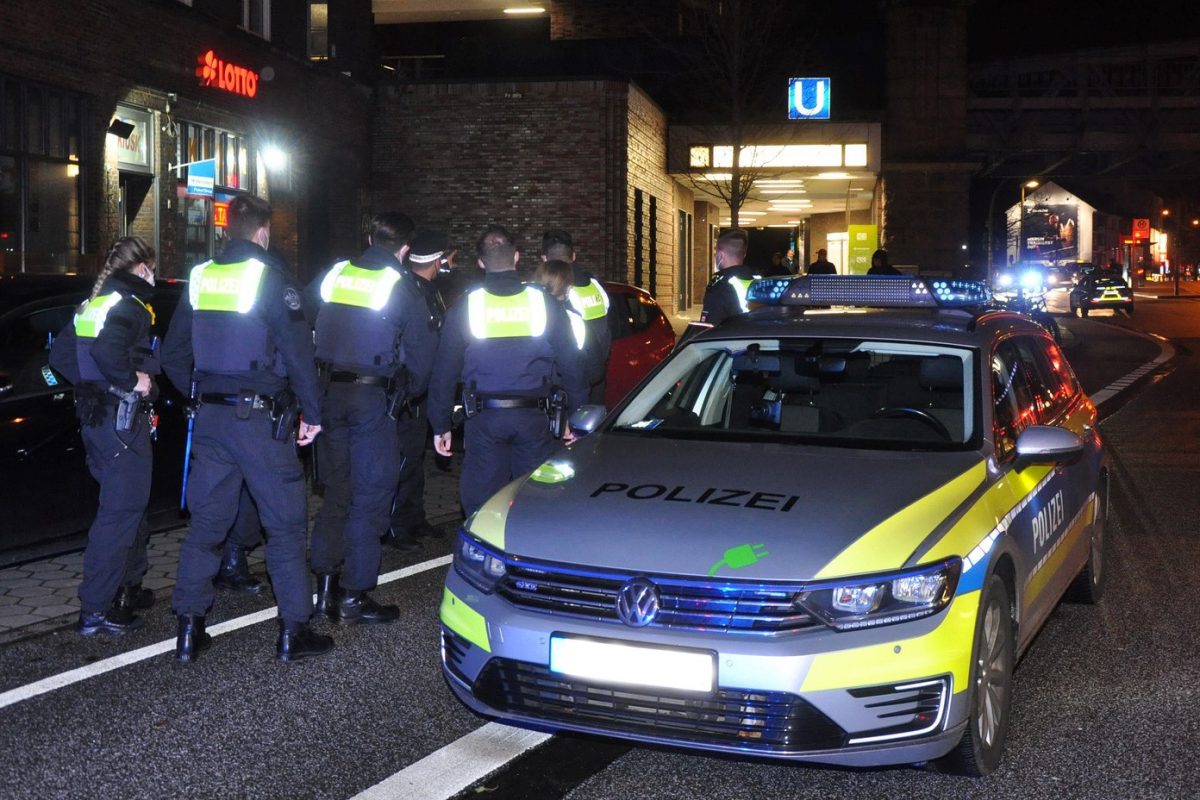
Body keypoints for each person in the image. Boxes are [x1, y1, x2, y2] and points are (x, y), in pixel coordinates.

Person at [161, 193, 331, 663]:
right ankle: (294, 631)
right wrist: (312, 415)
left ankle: (190, 630)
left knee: (207, 525)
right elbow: (299, 356)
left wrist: (197, 395)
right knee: (285, 525)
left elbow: (172, 355)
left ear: (225, 230)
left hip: (211, 420)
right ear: (263, 231)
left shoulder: (200, 277)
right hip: (260, 421)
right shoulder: (271, 280)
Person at [307, 213, 438, 624]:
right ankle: (355, 595)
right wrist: (405, 394)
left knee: (336, 493)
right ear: (404, 249)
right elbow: (421, 354)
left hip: (329, 394)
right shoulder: (401, 285)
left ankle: (324, 586)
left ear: (369, 237)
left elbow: (301, 316)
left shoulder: (336, 274)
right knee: (372, 496)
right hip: (372, 399)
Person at [428, 225, 588, 516]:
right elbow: (572, 366)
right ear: (516, 257)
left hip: (484, 419)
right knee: (535, 501)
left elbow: (444, 372)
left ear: (480, 262)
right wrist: (575, 419)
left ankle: (485, 557)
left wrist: (440, 425)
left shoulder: (466, 306)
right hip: (535, 419)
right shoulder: (545, 302)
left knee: (482, 506)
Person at [48, 237, 159, 636]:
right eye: (152, 267)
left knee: (128, 508)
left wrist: (94, 388)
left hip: (97, 422)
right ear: (142, 266)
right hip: (121, 424)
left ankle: (126, 588)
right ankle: (95, 609)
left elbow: (60, 356)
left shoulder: (93, 305)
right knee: (119, 516)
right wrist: (132, 382)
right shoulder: (128, 306)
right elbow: (109, 353)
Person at [385, 229, 450, 552]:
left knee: (417, 457)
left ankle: (414, 516)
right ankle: (396, 524)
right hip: (409, 389)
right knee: (404, 460)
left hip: (423, 388)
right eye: (446, 259)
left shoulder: (428, 290)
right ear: (437, 261)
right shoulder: (410, 291)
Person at [540, 230, 611, 404]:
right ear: (573, 255)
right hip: (597, 378)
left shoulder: (555, 292)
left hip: (569, 386)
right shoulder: (595, 286)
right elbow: (610, 330)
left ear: (544, 259)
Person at [698, 228, 762, 328]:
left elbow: (708, 329)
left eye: (716, 253)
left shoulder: (720, 287)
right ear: (743, 254)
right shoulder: (761, 281)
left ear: (720, 255)